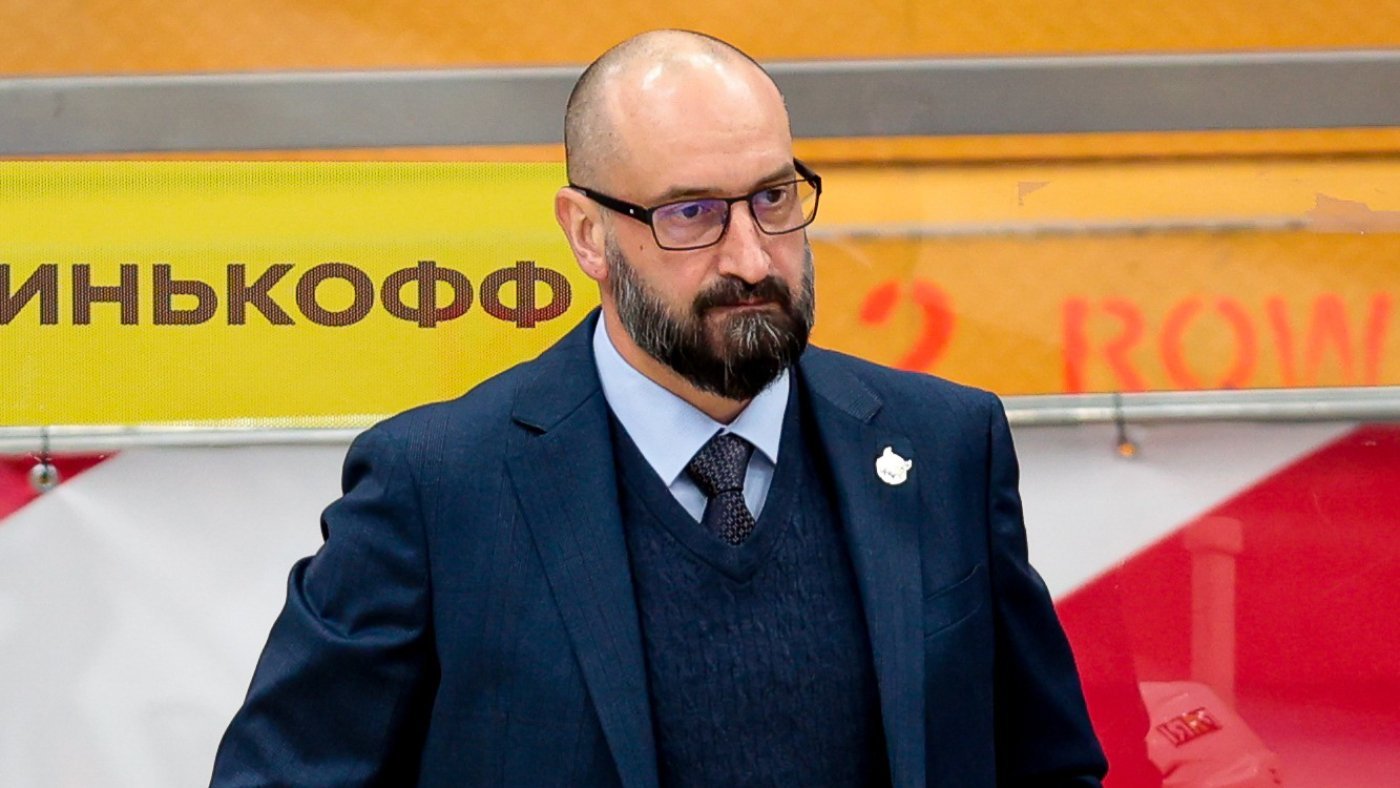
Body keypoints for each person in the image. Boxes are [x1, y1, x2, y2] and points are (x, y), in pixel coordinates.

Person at [212, 29, 1107, 787]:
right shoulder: (439, 487)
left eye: (774, 198)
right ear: (588, 234)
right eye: (691, 214)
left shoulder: (943, 447)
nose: (751, 257)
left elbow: (1047, 765)